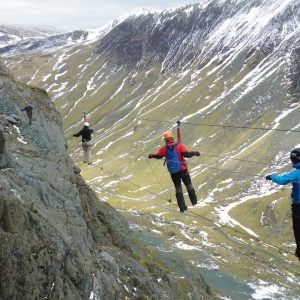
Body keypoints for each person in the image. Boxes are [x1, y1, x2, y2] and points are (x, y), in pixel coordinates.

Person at [148, 132, 200, 212]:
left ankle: (182, 208)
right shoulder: (179, 146)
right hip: (183, 170)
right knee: (189, 185)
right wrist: (195, 153)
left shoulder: (163, 149)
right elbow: (187, 155)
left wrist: (151, 155)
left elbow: (158, 156)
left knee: (178, 189)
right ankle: (194, 203)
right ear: (172, 138)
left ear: (165, 140)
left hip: (174, 172)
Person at [266, 148, 300, 261]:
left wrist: (271, 176)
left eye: (292, 160)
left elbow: (281, 180)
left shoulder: (296, 173)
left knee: (298, 229)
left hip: (298, 205)